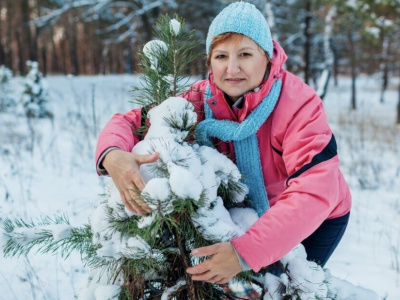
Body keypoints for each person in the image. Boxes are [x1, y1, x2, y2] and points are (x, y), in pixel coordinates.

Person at [95, 2, 351, 285]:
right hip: (245, 219)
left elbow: (314, 191)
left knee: (288, 287)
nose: (232, 68)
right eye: (221, 56)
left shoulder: (299, 105)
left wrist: (245, 253)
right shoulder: (199, 101)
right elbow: (132, 121)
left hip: (317, 218)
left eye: (245, 54)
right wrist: (112, 154)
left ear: (267, 57)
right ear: (209, 62)